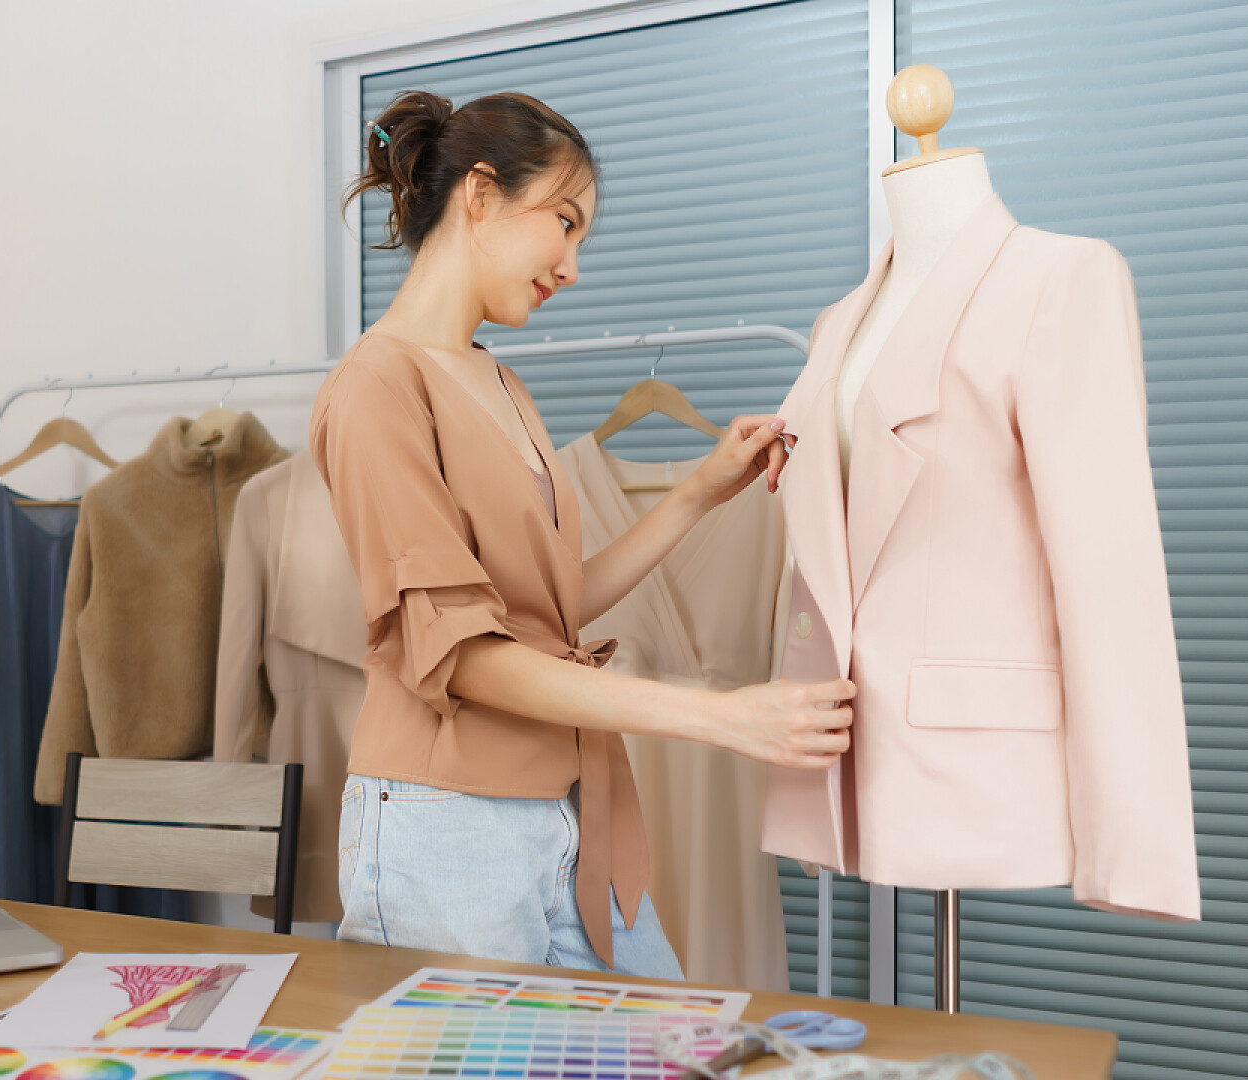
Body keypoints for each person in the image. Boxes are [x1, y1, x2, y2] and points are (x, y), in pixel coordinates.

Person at [311, 90, 855, 978]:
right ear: (480, 195)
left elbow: (545, 615)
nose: (571, 265)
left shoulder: (501, 382)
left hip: (572, 805)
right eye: (564, 223)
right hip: (446, 822)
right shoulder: (375, 389)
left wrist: (696, 495)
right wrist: (720, 718)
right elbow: (468, 658)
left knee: (659, 1041)